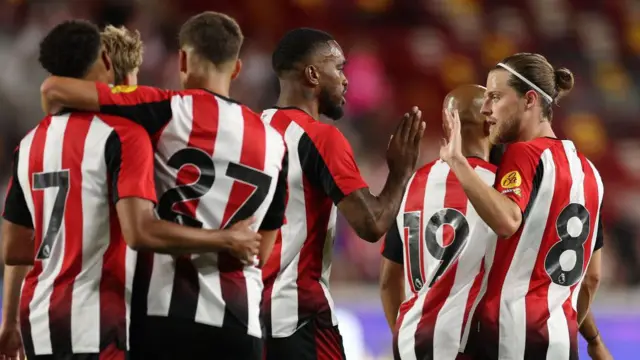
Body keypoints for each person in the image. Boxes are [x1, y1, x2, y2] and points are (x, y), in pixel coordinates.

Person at [0, 20, 260, 360]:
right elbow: (141, 230)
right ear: (112, 68)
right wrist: (224, 238)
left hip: (38, 322)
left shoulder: (30, 143)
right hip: (99, 320)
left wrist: (9, 323)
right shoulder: (124, 136)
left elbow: (15, 249)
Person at [260, 28, 424, 360]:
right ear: (312, 74)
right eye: (338, 68)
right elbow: (372, 224)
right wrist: (400, 173)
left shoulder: (250, 127)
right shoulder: (321, 138)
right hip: (299, 316)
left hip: (245, 315)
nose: (345, 80)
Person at [439, 53, 607, 359]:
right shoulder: (590, 174)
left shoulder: (523, 154)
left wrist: (458, 163)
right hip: (560, 340)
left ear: (529, 100)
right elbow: (592, 278)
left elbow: (507, 220)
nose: (486, 108)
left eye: (495, 97)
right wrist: (567, 328)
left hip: (506, 332)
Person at [380, 84, 498, 360]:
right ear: (489, 122)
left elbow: (388, 280)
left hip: (412, 341)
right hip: (469, 343)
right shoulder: (500, 189)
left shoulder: (412, 185)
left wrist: (405, 332)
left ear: (447, 125)